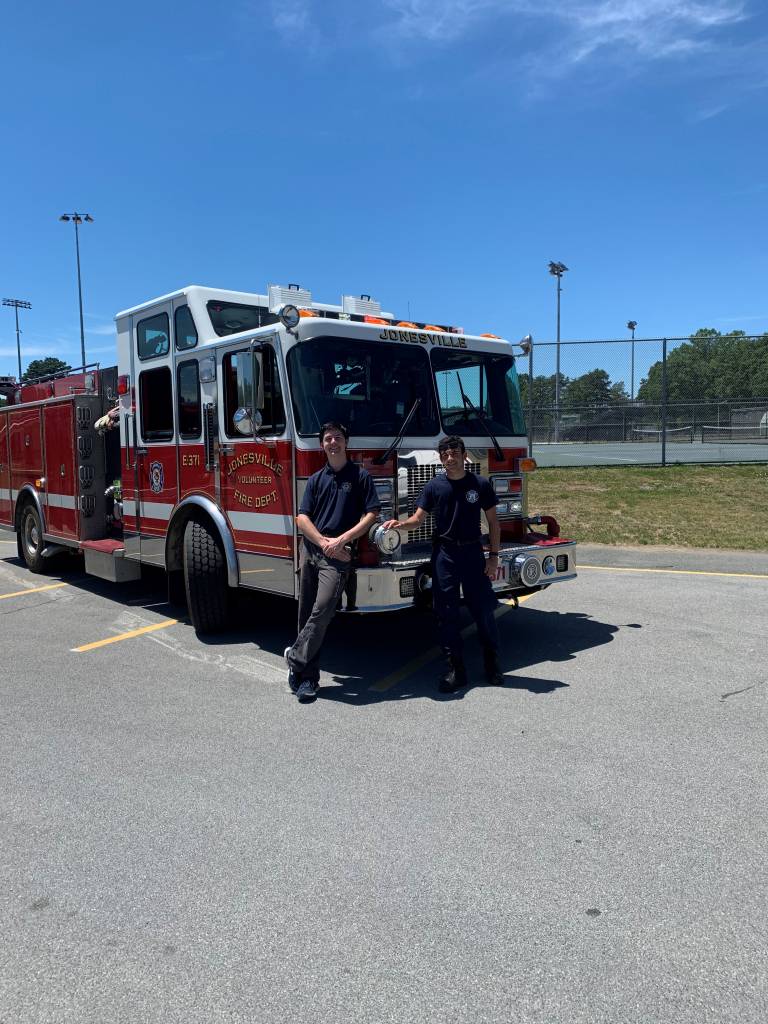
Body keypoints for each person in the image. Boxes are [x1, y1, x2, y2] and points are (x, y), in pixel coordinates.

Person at [382, 435, 503, 693]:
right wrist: (399, 524)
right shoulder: (434, 486)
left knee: (483, 610)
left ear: (464, 454)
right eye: (445, 454)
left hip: (472, 553)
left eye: (455, 452)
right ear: (441, 458)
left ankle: (492, 664)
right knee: (446, 613)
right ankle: (456, 670)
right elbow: (417, 519)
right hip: (444, 555)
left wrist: (494, 556)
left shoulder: (480, 484)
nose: (450, 458)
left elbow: (493, 522)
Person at [285, 421, 380, 702]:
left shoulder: (360, 477)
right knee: (305, 614)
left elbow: (372, 514)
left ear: (346, 443)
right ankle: (307, 679)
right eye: (328, 439)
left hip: (338, 556)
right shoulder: (315, 480)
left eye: (337, 437)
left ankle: (295, 657)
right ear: (322, 445)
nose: (333, 442)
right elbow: (302, 518)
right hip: (314, 550)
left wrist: (342, 540)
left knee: (323, 609)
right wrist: (325, 542)